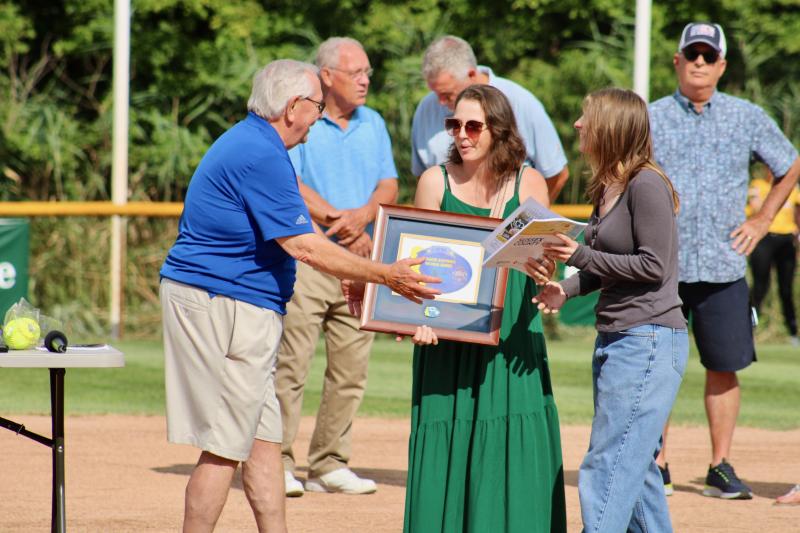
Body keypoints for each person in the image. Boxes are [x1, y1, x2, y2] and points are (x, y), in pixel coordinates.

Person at [158, 59, 440, 533]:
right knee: (225, 446)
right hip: (223, 303)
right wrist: (384, 275)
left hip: (236, 302)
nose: (318, 114)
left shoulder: (257, 143)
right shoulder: (261, 152)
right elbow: (304, 246)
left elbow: (299, 229)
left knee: (264, 441)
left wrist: (354, 273)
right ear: (293, 108)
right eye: (314, 105)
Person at [405, 84, 567, 532]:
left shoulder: (528, 182)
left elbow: (546, 257)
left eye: (473, 126)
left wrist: (544, 269)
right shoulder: (434, 181)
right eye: (454, 125)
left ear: (498, 130)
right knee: (448, 441)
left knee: (511, 442)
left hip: (513, 334)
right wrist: (420, 318)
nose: (461, 134)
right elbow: (420, 264)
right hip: (447, 342)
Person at [649, 21, 800, 499]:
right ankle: (656, 463)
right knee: (655, 364)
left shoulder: (745, 116)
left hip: (723, 263)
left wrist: (762, 220)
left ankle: (719, 466)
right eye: (690, 54)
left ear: (722, 65)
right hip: (660, 265)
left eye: (707, 56)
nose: (698, 62)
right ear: (676, 61)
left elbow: (789, 163)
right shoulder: (649, 117)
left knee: (724, 365)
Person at [533, 87, 688, 533]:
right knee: (635, 468)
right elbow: (612, 268)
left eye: (587, 117)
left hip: (648, 340)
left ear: (612, 128)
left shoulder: (646, 184)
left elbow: (653, 266)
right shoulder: (605, 186)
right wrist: (566, 289)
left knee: (608, 462)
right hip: (619, 339)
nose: (579, 125)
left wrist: (577, 256)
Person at [275, 37, 398, 497]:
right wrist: (337, 220)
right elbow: (291, 180)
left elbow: (388, 182)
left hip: (359, 257)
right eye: (357, 72)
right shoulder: (303, 118)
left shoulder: (375, 123)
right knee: (291, 364)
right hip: (308, 256)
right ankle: (279, 461)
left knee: (351, 367)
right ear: (327, 76)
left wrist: (362, 218)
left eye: (368, 71)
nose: (366, 80)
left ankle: (329, 463)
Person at [411, 35, 570, 203]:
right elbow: (421, 176)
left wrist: (525, 218)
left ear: (471, 74)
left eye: (447, 94)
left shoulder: (520, 102)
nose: (440, 102)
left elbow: (557, 174)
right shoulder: (426, 107)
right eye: (454, 125)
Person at [748, 164, 800, 345]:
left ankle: (793, 332)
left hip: (786, 241)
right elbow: (751, 210)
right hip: (764, 239)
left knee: (786, 289)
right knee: (760, 287)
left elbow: (797, 213)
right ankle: (749, 328)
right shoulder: (758, 185)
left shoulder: (791, 187)